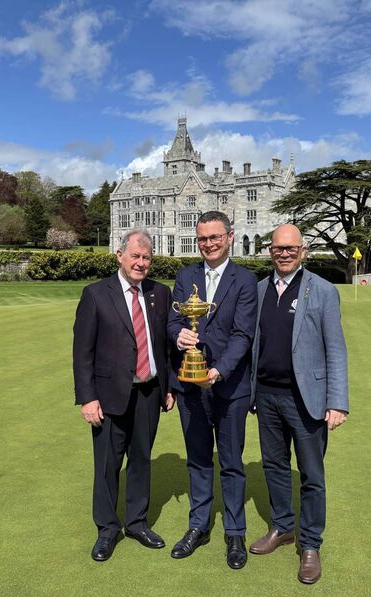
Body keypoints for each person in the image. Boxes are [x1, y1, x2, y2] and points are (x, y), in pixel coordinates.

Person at [248, 224, 349, 585]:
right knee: (274, 467)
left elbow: (335, 349)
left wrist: (337, 402)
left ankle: (310, 545)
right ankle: (282, 527)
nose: (285, 254)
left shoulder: (322, 290)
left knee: (312, 476)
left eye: (291, 248)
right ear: (270, 251)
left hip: (307, 399)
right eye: (279, 248)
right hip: (266, 396)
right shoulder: (259, 290)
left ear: (303, 251)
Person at [73, 229, 176, 562]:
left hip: (149, 392)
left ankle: (136, 523)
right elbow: (82, 352)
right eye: (136, 256)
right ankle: (107, 529)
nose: (141, 263)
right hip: (108, 396)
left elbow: (164, 346)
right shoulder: (95, 294)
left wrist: (169, 386)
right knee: (107, 465)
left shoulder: (160, 293)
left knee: (141, 460)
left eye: (147, 258)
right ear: (120, 256)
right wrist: (87, 398)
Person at [167, 211, 258, 569]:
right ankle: (199, 525)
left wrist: (217, 372)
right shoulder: (185, 276)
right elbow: (173, 321)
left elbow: (243, 335)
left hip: (229, 386)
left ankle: (235, 532)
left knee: (232, 463)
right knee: (198, 459)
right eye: (203, 238)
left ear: (229, 237)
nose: (208, 244)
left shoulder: (245, 280)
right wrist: (179, 335)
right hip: (190, 386)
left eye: (215, 237)